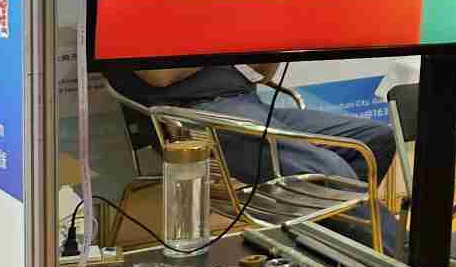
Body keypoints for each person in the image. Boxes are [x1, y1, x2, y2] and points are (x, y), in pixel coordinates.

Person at [104, 63, 403, 250]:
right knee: (326, 167)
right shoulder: (137, 4)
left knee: (375, 138)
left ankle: (334, 246)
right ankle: (396, 264)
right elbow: (160, 75)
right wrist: (224, 31)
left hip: (248, 105)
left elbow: (262, 74)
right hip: (195, 117)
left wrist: (263, 33)